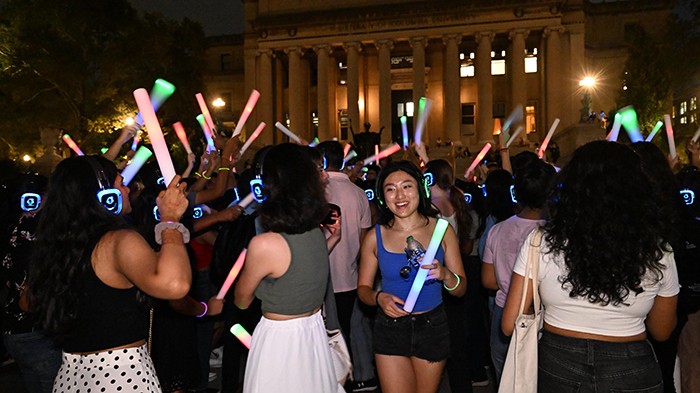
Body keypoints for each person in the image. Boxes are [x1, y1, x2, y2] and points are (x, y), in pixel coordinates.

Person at [502, 141, 679, 392]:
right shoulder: (658, 250)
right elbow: (662, 331)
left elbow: (509, 323)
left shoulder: (541, 241)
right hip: (632, 367)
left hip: (558, 362)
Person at [28, 155, 192, 393]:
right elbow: (174, 284)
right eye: (121, 183)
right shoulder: (118, 240)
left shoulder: (56, 244)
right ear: (105, 197)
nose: (128, 189)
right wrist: (170, 220)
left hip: (70, 374)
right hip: (120, 374)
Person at [234, 143, 340, 393]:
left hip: (280, 339)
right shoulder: (315, 233)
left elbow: (241, 300)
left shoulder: (266, 244)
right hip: (314, 333)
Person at [358, 160, 466, 393]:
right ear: (382, 196)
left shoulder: (441, 231)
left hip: (432, 327)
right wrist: (379, 298)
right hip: (390, 328)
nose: (399, 195)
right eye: (390, 189)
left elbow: (461, 287)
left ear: (420, 189)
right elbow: (363, 290)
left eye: (407, 186)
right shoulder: (374, 237)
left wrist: (446, 276)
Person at [481, 159, 555, 384]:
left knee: (508, 377)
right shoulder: (556, 233)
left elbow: (489, 281)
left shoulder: (498, 230)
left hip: (506, 311)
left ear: (517, 193)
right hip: (549, 315)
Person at [316, 140, 376, 391]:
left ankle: (335, 380)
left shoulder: (317, 193)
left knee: (328, 335)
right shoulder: (359, 193)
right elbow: (365, 239)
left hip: (321, 276)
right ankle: (362, 376)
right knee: (354, 329)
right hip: (352, 275)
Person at [1, 174, 62, 393]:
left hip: (14, 330)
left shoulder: (13, 224)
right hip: (35, 331)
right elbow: (30, 300)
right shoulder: (37, 230)